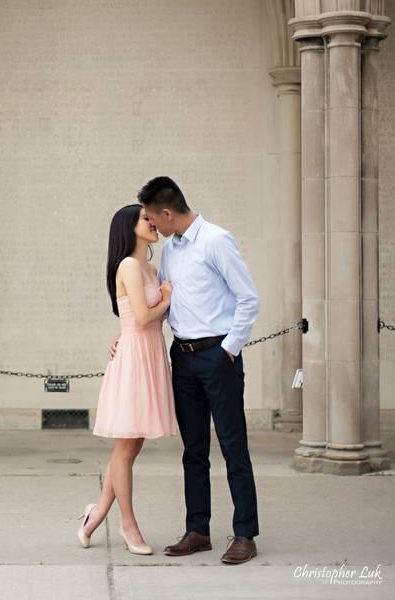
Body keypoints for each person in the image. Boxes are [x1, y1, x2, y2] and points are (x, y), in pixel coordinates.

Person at [135, 175, 261, 565]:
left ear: (168, 212)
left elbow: (248, 298)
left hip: (217, 357)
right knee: (193, 450)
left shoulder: (217, 240)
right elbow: (168, 301)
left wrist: (228, 350)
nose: (154, 228)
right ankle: (198, 530)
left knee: (232, 445)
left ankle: (245, 534)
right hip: (183, 358)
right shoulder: (171, 248)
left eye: (155, 221)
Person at [77, 203, 178, 556]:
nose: (152, 223)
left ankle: (96, 513)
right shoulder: (129, 265)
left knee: (132, 446)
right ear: (128, 227)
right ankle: (128, 524)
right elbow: (145, 314)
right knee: (125, 447)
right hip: (135, 359)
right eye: (144, 219)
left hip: (149, 353)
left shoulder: (150, 266)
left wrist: (161, 301)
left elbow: (141, 318)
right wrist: (166, 297)